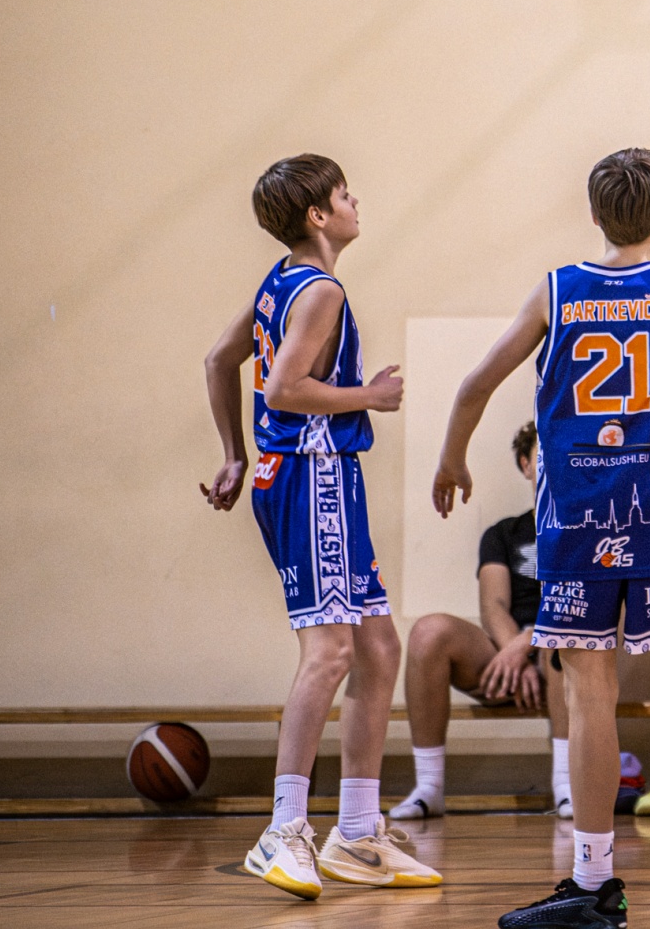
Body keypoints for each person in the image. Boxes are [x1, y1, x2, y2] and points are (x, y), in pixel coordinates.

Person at [432, 148, 650, 929]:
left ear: (594, 215)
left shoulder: (556, 291)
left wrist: (453, 458)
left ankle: (594, 884)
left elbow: (475, 384)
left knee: (588, 695)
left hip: (576, 522)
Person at [199, 154, 441, 900]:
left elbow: (218, 361)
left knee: (378, 646)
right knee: (331, 651)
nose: (353, 200)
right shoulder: (321, 290)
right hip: (312, 477)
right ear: (318, 216)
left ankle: (358, 832)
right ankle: (283, 828)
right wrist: (369, 394)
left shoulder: (280, 280)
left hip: (310, 476)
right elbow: (283, 388)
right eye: (342, 193)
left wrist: (235, 455)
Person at [394, 421, 572, 822]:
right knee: (428, 632)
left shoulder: (589, 527)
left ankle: (567, 785)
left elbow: (588, 606)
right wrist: (516, 653)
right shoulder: (504, 533)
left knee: (562, 645)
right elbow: (493, 605)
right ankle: (429, 788)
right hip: (505, 662)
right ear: (526, 464)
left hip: (566, 658)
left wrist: (530, 642)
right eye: (542, 454)